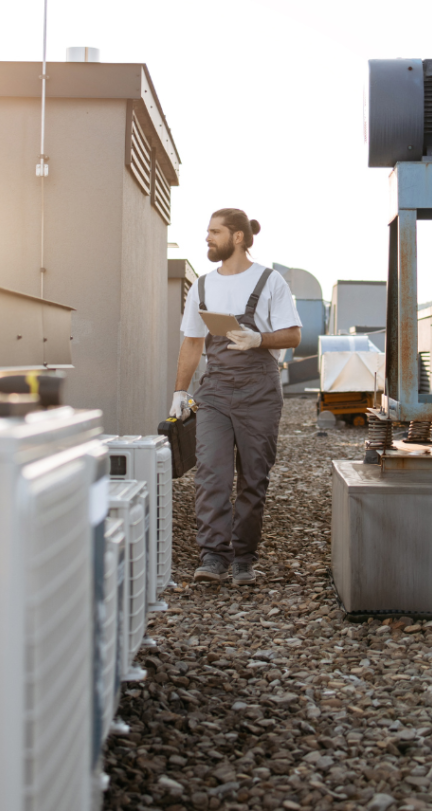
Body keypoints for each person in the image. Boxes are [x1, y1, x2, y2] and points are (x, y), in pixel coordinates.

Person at [170, 208, 302, 585]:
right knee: (210, 474)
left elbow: (293, 335)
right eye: (208, 232)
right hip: (214, 388)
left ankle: (244, 558)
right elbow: (193, 342)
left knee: (253, 478)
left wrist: (260, 338)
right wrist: (180, 390)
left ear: (238, 237)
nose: (207, 238)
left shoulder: (270, 281)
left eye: (215, 232)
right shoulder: (204, 285)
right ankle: (213, 556)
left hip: (259, 389)